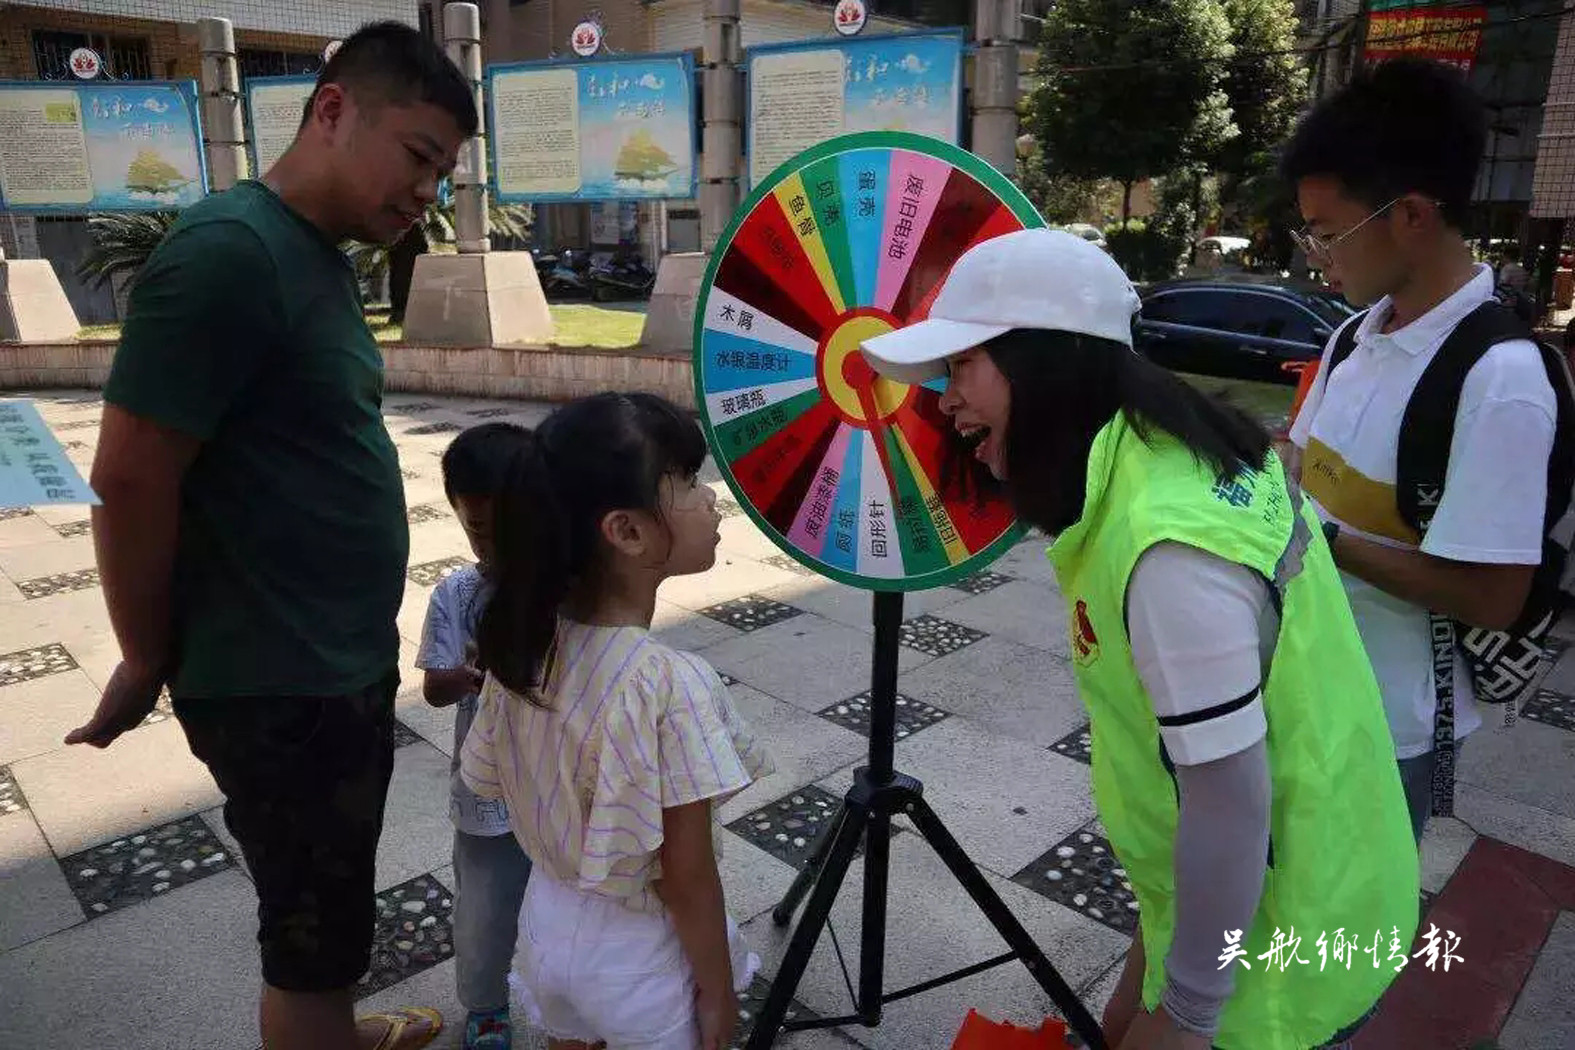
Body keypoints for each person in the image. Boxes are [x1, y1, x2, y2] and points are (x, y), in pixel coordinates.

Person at [859, 228, 1418, 1050]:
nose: (943, 400)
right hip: (1297, 878)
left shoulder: (1169, 549)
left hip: (1277, 939)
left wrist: (1186, 1012)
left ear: (1044, 360)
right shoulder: (1183, 454)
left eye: (961, 367)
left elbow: (1229, 798)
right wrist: (1154, 947)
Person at [68, 22, 476, 1050]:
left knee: (326, 914)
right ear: (333, 110)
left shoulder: (313, 255)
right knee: (306, 929)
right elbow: (128, 478)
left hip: (323, 663)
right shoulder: (226, 256)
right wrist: (143, 655)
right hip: (276, 682)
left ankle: (333, 1027)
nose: (427, 191)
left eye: (443, 173)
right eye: (419, 157)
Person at [1281, 58, 1557, 841]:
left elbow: (1492, 598)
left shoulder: (1500, 380)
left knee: (1339, 946)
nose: (1315, 253)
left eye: (1328, 233)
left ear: (1409, 215)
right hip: (1298, 681)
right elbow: (1299, 468)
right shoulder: (1352, 336)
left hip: (1387, 726)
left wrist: (1320, 539)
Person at [458, 392, 771, 1050]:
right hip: (640, 956)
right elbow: (684, 876)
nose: (709, 497)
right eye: (686, 480)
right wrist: (716, 993)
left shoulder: (524, 651)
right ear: (626, 531)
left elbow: (488, 782)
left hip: (544, 924)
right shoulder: (665, 683)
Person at [418, 423, 536, 1050]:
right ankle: (486, 1004)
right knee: (486, 906)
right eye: (476, 531)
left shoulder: (566, 588)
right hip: (487, 791)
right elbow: (434, 687)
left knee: (566, 896)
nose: (491, 546)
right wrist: (463, 677)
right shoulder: (458, 593)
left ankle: (563, 989)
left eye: (508, 530)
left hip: (561, 783)